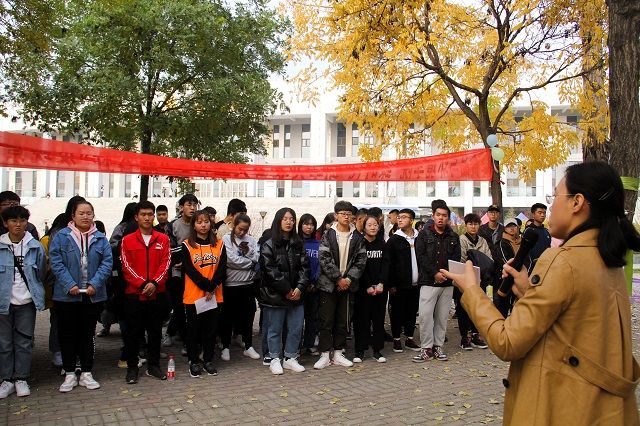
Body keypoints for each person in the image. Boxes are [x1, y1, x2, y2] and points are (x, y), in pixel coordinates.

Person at [441, 161, 640, 425]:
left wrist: (471, 290)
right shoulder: (608, 259)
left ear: (577, 202)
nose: (550, 207)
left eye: (555, 196)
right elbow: (572, 326)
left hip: (563, 409)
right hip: (603, 410)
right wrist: (528, 291)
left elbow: (507, 342)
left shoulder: (562, 260)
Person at [49, 201, 113, 392]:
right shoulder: (61, 237)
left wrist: (95, 283)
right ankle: (69, 372)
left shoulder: (100, 238)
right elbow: (56, 262)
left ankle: (86, 372)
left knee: (87, 334)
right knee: (68, 334)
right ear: (73, 216)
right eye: (81, 213)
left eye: (89, 213)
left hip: (92, 296)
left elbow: (107, 263)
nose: (85, 217)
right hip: (67, 296)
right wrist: (70, 284)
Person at [119, 201, 171, 384]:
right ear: (136, 217)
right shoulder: (127, 240)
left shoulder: (163, 239)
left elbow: (166, 264)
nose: (147, 218)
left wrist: (155, 283)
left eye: (150, 214)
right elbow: (126, 266)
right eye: (143, 214)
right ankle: (132, 367)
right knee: (133, 333)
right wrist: (142, 284)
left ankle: (153, 366)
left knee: (155, 331)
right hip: (134, 294)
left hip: (157, 294)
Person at [0, 206, 46, 399]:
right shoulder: (1, 246)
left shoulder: (34, 246)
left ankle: (21, 377)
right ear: (5, 223)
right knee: (4, 343)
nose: (18, 225)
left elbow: (41, 273)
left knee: (24, 341)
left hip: (26, 301)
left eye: (22, 221)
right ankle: (6, 379)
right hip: (4, 301)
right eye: (13, 221)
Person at [314, 201, 366, 370]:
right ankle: (324, 355)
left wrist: (349, 279)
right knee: (326, 320)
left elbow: (361, 260)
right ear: (336, 215)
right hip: (329, 285)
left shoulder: (357, 236)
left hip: (348, 285)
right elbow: (324, 259)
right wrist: (338, 279)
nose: (346, 216)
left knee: (343, 321)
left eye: (348, 213)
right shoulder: (327, 235)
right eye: (342, 213)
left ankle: (338, 353)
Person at [258, 208, 310, 375]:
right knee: (275, 329)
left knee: (296, 327)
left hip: (297, 294)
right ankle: (274, 358)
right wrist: (287, 290)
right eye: (285, 219)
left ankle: (290, 357)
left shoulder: (298, 243)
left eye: (292, 219)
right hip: (276, 295)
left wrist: (299, 288)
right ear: (278, 220)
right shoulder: (269, 243)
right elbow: (270, 270)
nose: (289, 222)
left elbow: (305, 268)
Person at [413, 202, 461, 362]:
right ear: (433, 216)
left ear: (448, 218)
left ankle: (438, 347)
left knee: (442, 317)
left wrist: (445, 274)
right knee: (425, 316)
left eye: (444, 215)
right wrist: (434, 273)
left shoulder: (453, 236)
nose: (441, 218)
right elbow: (421, 257)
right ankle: (426, 348)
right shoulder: (424, 234)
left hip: (447, 283)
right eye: (438, 215)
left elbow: (456, 257)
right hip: (428, 281)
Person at [181, 209, 226, 377]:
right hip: (194, 296)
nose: (203, 225)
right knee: (193, 331)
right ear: (194, 225)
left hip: (214, 296)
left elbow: (222, 268)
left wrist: (212, 286)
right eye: (199, 222)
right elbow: (188, 269)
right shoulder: (187, 244)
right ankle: (193, 361)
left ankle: (208, 360)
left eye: (206, 221)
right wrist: (206, 286)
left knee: (210, 330)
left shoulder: (219, 244)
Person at [220, 214, 261, 361]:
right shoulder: (226, 238)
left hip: (247, 284)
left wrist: (249, 256)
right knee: (227, 317)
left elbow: (257, 257)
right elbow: (230, 260)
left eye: (245, 230)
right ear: (234, 225)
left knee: (248, 316)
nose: (242, 232)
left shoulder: (251, 240)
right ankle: (225, 346)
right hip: (231, 285)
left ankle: (248, 345)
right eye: (239, 229)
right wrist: (249, 264)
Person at [164, 194, 199, 349]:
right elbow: (170, 249)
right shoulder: (172, 226)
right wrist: (184, 257)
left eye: (195, 205)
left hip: (196, 272)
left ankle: (190, 339)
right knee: (179, 307)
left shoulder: (199, 223)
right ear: (181, 207)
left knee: (194, 308)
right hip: (177, 273)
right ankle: (183, 339)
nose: (192, 208)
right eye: (189, 205)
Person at [353, 215, 388, 363]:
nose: (373, 227)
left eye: (375, 225)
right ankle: (359, 351)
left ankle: (377, 350)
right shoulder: (359, 244)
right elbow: (360, 267)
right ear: (364, 227)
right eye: (369, 225)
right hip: (363, 290)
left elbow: (386, 265)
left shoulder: (383, 244)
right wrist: (367, 285)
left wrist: (381, 283)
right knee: (362, 321)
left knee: (378, 320)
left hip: (380, 290)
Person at [385, 208, 421, 353]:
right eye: (398, 217)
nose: (400, 219)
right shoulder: (394, 240)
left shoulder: (420, 237)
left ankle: (410, 338)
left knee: (412, 312)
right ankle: (396, 340)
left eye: (404, 217)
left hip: (416, 283)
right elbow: (389, 263)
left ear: (411, 220)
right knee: (397, 312)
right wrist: (391, 284)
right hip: (399, 285)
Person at [456, 213, 491, 350]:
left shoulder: (483, 241)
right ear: (466, 225)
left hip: (481, 280)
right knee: (463, 308)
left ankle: (476, 335)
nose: (473, 226)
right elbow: (461, 259)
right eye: (470, 224)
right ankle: (465, 336)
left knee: (477, 309)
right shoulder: (461, 239)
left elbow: (488, 258)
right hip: (465, 280)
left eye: (476, 224)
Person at [494, 218, 527, 317]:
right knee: (502, 306)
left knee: (518, 306)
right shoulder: (501, 242)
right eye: (509, 226)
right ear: (505, 228)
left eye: (514, 226)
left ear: (517, 227)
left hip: (521, 278)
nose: (512, 229)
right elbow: (504, 261)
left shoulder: (522, 242)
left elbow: (527, 258)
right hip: (505, 279)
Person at [299, 213, 321, 356]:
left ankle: (310, 344)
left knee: (312, 318)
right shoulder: (296, 242)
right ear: (300, 225)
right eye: (306, 224)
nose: (309, 227)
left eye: (311, 224)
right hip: (299, 287)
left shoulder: (318, 244)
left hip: (314, 287)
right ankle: (296, 345)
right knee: (298, 319)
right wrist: (303, 283)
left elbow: (320, 265)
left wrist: (314, 282)